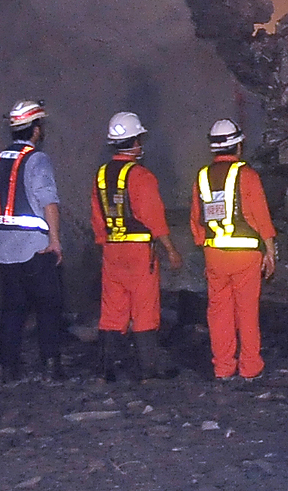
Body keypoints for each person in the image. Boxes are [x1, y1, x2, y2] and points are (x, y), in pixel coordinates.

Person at [92, 111, 179, 382]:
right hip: (139, 251)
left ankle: (107, 368)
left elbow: (97, 216)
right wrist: (170, 249)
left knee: (112, 309)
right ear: (136, 141)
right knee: (144, 307)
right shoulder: (141, 176)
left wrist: (103, 244)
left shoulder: (102, 175)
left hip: (112, 248)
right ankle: (149, 368)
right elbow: (153, 216)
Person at [0, 99, 67, 381]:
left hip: (5, 251)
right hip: (36, 249)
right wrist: (55, 241)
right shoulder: (37, 159)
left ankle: (9, 368)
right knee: (48, 307)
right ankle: (50, 367)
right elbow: (49, 202)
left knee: (12, 309)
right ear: (35, 128)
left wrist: (4, 238)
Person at [190, 118, 275, 383]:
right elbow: (261, 217)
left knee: (218, 312)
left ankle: (223, 367)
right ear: (238, 145)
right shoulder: (248, 176)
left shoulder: (202, 177)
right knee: (246, 311)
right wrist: (270, 252)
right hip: (246, 254)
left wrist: (206, 248)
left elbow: (196, 219)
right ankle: (250, 367)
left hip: (215, 254)